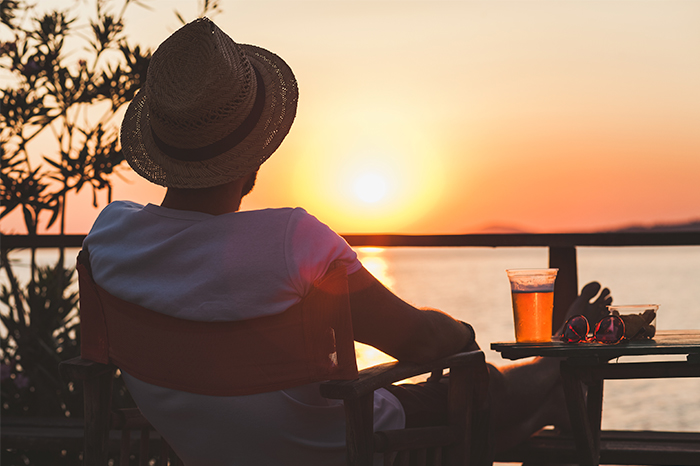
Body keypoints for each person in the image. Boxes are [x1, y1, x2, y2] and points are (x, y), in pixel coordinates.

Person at [82, 18, 612, 465]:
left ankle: (548, 404)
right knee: (471, 387)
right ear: (255, 155)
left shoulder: (110, 239)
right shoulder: (290, 241)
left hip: (209, 448)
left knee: (455, 399)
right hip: (344, 447)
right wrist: (462, 331)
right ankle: (558, 361)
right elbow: (422, 344)